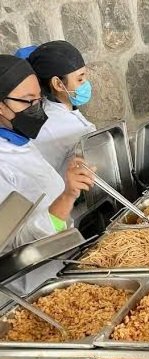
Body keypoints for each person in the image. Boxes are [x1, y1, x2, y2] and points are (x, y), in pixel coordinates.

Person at [0, 54, 94, 292]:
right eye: (27, 101)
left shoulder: (20, 141)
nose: (37, 109)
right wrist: (68, 196)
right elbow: (14, 245)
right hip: (31, 288)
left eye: (38, 100)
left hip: (60, 267)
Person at [23, 40, 96, 176]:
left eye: (85, 76)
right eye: (80, 80)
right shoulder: (50, 126)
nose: (86, 84)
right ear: (58, 84)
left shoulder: (62, 109)